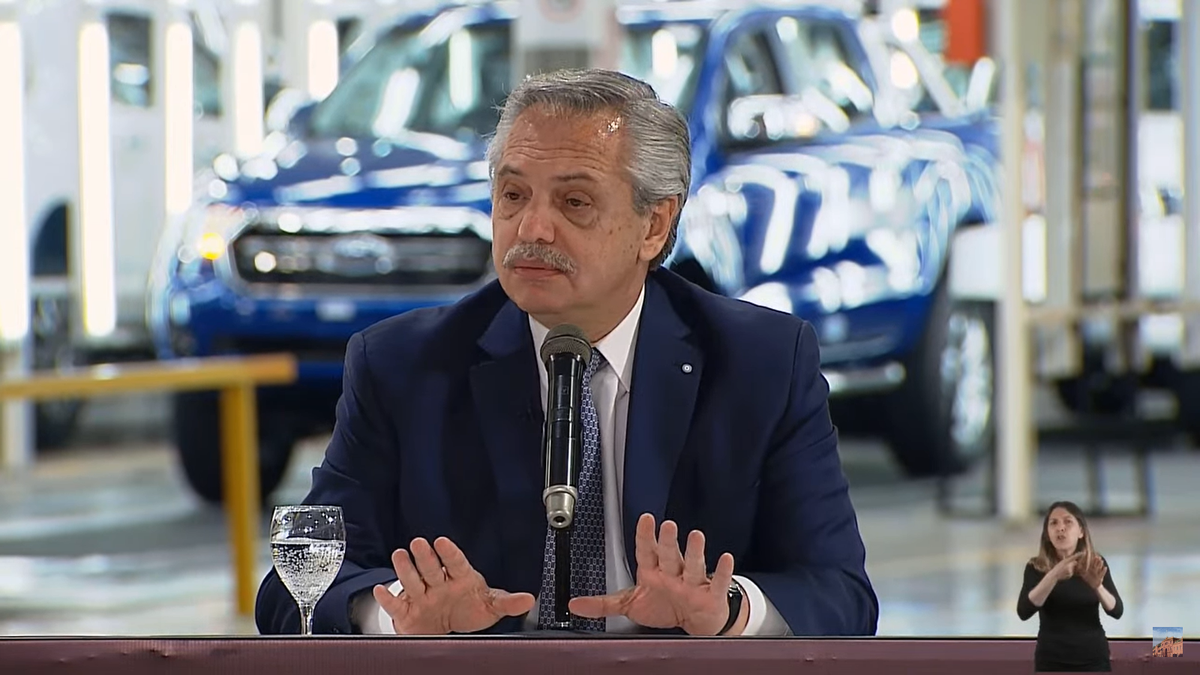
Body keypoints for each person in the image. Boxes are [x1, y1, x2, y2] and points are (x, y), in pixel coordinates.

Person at [255, 68, 878, 637]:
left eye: (574, 202)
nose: (531, 229)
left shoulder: (762, 363)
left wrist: (728, 609)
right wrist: (398, 612)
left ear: (654, 226)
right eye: (512, 195)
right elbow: (292, 589)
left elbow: (841, 594)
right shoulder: (401, 365)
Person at [1017, 501, 1123, 671]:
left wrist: (1097, 587)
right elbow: (1024, 611)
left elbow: (1116, 611)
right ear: (1047, 534)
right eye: (1054, 523)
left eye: (1068, 522)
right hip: (1051, 661)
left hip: (1093, 659)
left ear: (1081, 531)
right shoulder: (1036, 567)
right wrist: (1053, 576)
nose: (1060, 528)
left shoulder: (1094, 563)